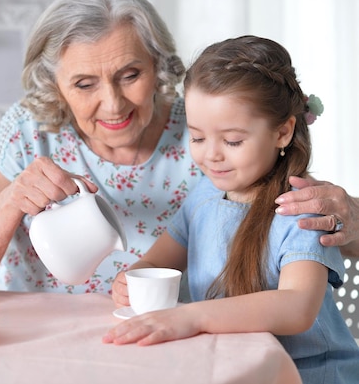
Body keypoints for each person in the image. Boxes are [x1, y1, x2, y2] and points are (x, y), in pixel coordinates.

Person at [0, 0, 359, 294]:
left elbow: (302, 226)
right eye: (85, 84)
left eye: (130, 75)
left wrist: (352, 220)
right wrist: (13, 199)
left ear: (159, 65)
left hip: (175, 344)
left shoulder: (206, 130)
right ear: (55, 86)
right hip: (41, 346)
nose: (113, 104)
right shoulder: (28, 130)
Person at [103, 35, 359, 383]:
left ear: (282, 132)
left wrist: (191, 317)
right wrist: (132, 279)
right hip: (227, 367)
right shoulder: (204, 195)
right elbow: (156, 261)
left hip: (308, 375)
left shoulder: (302, 209)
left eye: (233, 141)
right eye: (197, 137)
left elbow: (297, 306)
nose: (212, 155)